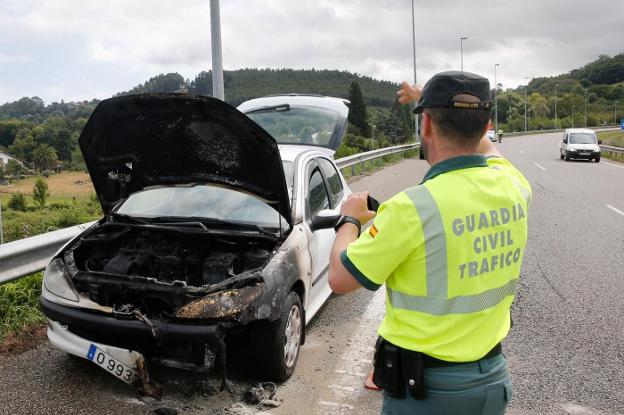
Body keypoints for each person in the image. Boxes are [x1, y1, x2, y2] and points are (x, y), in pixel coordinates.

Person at [328, 71, 531, 415]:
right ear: (487, 125)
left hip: (428, 394)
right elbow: (485, 145)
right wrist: (438, 103)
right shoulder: (513, 185)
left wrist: (350, 219)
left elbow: (339, 278)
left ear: (425, 126)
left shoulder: (413, 208)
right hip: (491, 383)